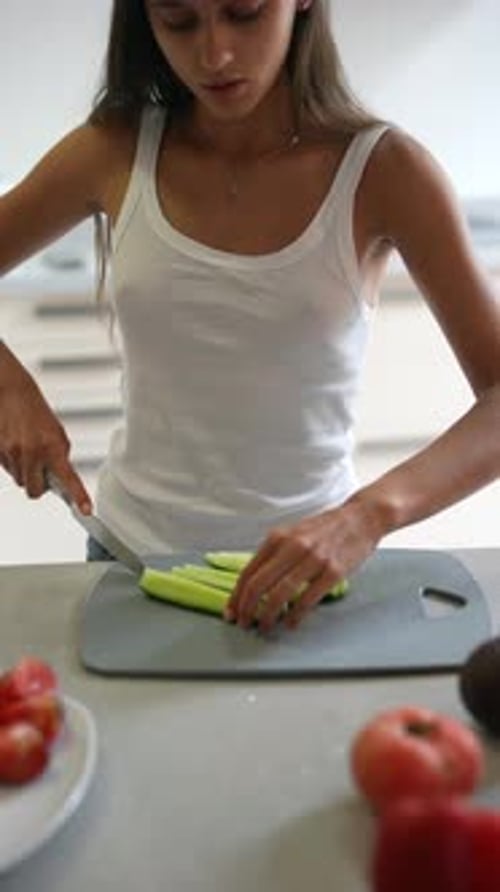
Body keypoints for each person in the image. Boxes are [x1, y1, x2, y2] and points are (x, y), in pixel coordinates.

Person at [0, 0, 499, 634]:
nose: (214, 55)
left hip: (307, 578)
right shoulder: (114, 148)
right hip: (130, 558)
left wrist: (369, 513)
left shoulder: (385, 170)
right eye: (179, 22)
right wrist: (9, 387)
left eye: (245, 12)